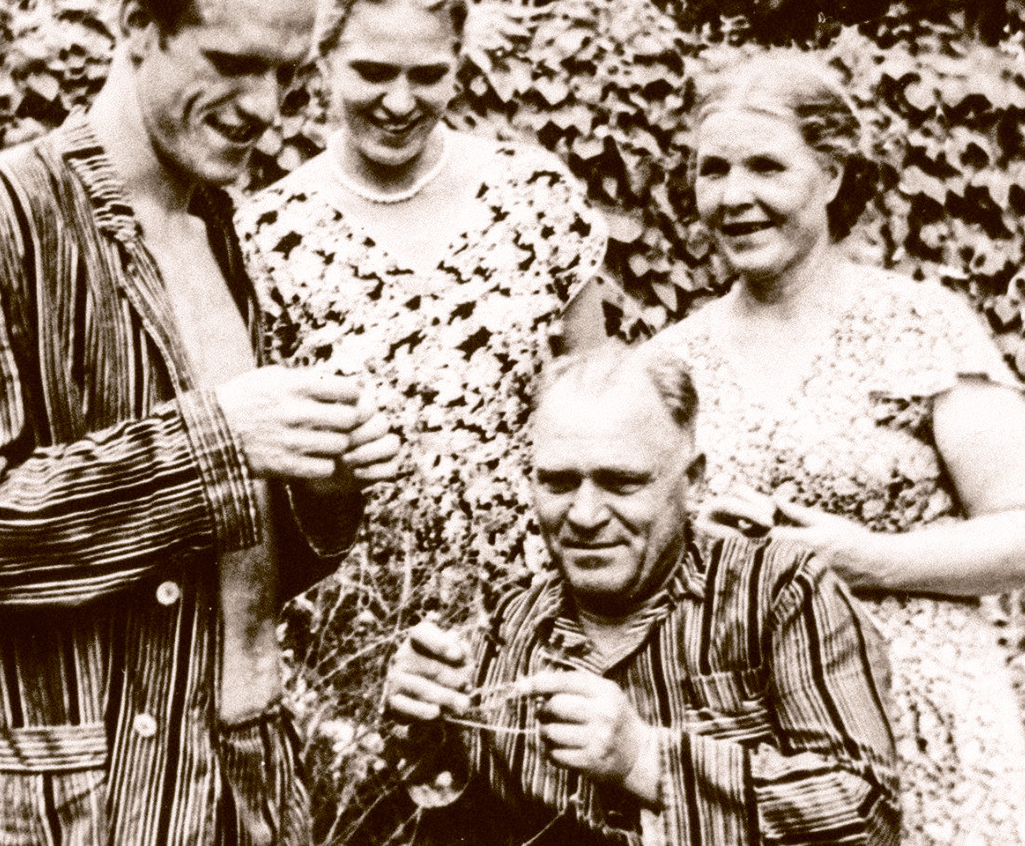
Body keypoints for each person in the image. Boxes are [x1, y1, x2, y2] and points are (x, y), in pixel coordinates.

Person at [0, 0, 400, 846]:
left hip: (245, 793)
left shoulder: (220, 233)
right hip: (87, 810)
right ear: (136, 24)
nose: (264, 108)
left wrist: (322, 486)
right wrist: (215, 441)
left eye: (287, 73)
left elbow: (223, 575)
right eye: (231, 63)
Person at [650, 48, 1025, 845]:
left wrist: (870, 558)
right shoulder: (671, 363)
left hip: (927, 730)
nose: (734, 197)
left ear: (833, 174)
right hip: (754, 747)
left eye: (766, 166)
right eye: (713, 170)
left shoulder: (920, 325)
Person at [384, 342, 900, 846]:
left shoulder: (781, 591)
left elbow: (868, 815)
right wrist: (421, 731)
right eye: (559, 483)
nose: (585, 516)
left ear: (692, 481)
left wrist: (645, 760)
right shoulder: (505, 629)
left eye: (621, 483)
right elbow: (444, 823)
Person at [238, 0, 608, 592]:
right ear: (323, 62)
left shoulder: (536, 196)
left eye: (428, 74)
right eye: (373, 72)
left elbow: (599, 409)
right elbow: (257, 478)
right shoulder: (269, 234)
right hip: (349, 612)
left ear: (459, 62)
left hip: (533, 603)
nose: (400, 102)